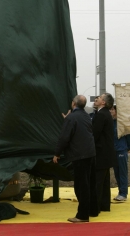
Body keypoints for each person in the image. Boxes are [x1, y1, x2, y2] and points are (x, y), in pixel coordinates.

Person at [53, 95, 98, 223]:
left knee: (81, 186)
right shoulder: (86, 116)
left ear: (73, 104)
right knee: (90, 183)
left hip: (80, 155)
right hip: (90, 153)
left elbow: (64, 138)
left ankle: (83, 215)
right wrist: (68, 119)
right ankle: (93, 210)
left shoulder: (72, 118)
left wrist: (57, 153)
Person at [92, 92, 116, 212]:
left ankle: (95, 208)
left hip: (101, 153)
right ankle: (105, 206)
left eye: (100, 97)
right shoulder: (106, 114)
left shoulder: (101, 115)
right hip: (107, 153)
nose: (97, 98)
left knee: (98, 181)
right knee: (105, 182)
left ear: (103, 102)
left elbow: (95, 134)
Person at [110, 104, 130, 201]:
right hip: (114, 150)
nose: (111, 111)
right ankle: (120, 192)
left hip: (121, 149)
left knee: (122, 172)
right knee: (116, 172)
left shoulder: (121, 123)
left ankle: (123, 193)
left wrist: (128, 147)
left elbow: (128, 135)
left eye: (113, 109)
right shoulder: (111, 122)